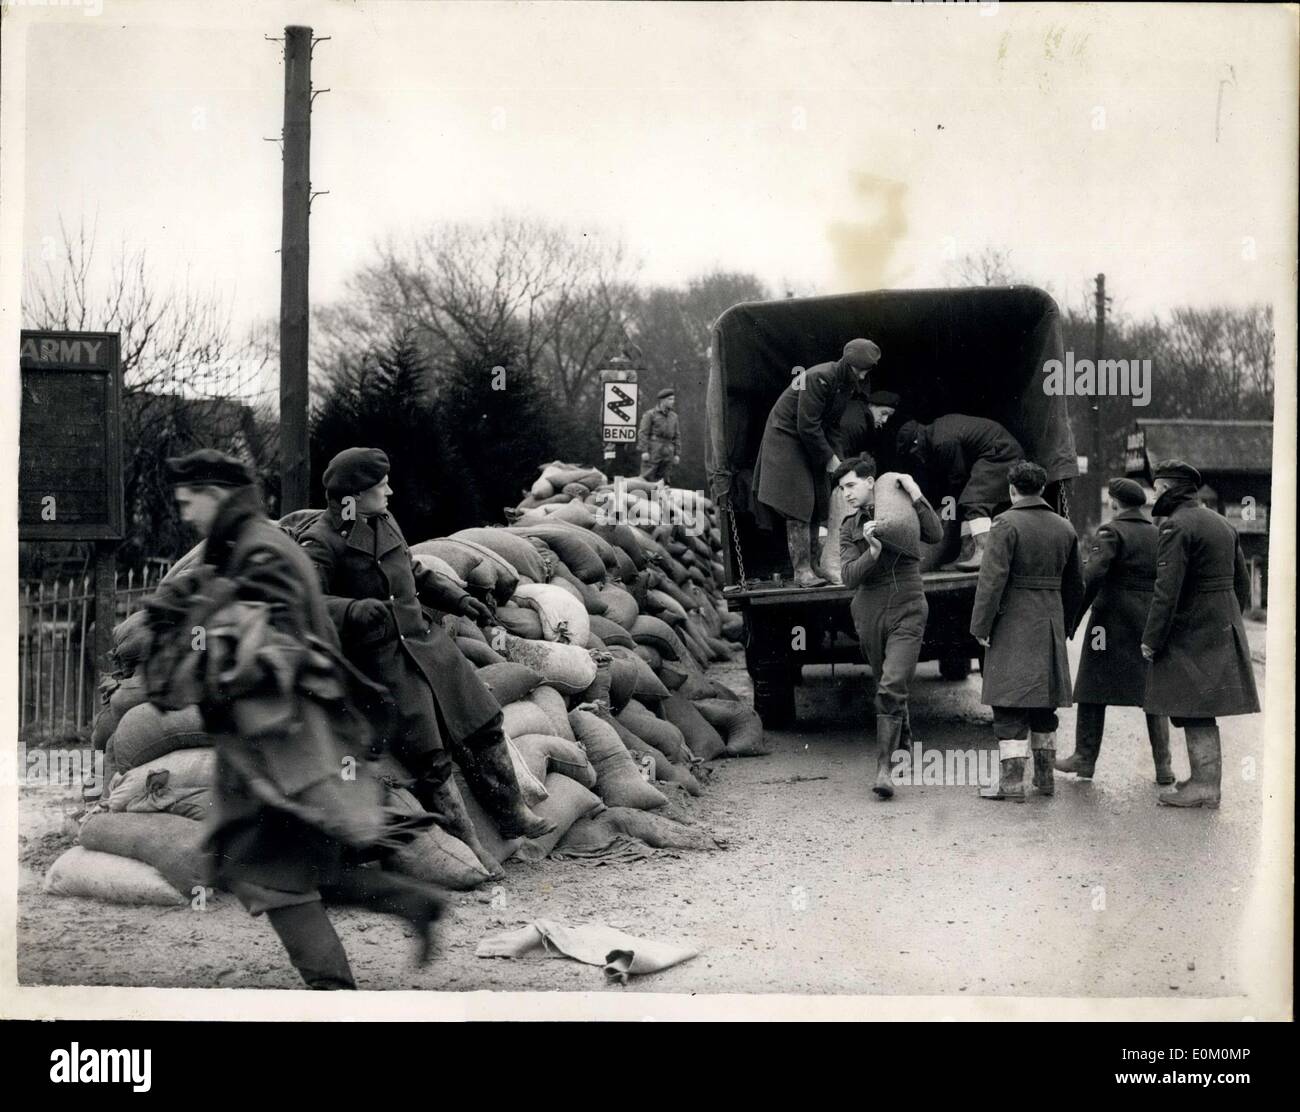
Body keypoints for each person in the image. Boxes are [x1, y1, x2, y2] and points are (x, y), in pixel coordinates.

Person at [145, 449, 447, 990]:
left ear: (216, 496)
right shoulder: (245, 547)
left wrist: (204, 622)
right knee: (284, 862)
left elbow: (283, 652)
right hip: (267, 740)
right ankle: (412, 903)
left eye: (191, 503)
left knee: (273, 877)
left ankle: (335, 995)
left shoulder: (262, 553)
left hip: (285, 743)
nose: (187, 515)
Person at [298, 448, 556, 852]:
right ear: (353, 496)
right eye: (381, 486)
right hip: (377, 657)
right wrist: (352, 609)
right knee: (429, 754)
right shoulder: (321, 540)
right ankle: (469, 845)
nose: (391, 491)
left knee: (482, 721)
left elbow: (412, 571)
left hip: (423, 641)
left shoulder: (383, 520)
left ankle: (512, 812)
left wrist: (457, 599)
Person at [1141, 459, 1260, 809]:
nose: (1154, 494)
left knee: (1194, 707)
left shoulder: (1175, 526)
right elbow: (1242, 586)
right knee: (1199, 705)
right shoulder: (1221, 523)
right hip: (1220, 623)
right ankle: (1202, 780)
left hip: (1192, 627)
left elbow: (1167, 590)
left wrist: (1152, 638)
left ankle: (1205, 786)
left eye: (1157, 488)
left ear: (1166, 489)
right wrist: (1229, 620)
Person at [971, 461, 1083, 802]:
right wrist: (1067, 624)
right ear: (1042, 488)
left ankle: (1012, 783)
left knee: (1008, 705)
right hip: (1049, 621)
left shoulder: (1005, 524)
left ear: (1011, 490)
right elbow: (1076, 585)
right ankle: (1045, 781)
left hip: (1013, 623)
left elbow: (991, 582)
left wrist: (980, 626)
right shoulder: (1065, 528)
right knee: (1044, 706)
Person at [835, 454, 942, 798]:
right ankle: (903, 740)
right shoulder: (850, 526)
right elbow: (849, 577)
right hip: (869, 609)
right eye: (841, 489)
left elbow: (935, 534)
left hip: (909, 603)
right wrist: (873, 552)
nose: (846, 494)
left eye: (850, 485)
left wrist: (915, 492)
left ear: (871, 481)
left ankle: (885, 769)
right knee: (885, 681)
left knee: (892, 684)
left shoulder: (902, 509)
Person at [1056, 478, 1173, 784]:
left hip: (1109, 623)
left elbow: (1092, 578)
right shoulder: (1157, 534)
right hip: (1147, 620)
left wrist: (1075, 619)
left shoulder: (1111, 531)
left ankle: (1084, 759)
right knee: (1152, 693)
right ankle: (1164, 767)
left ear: (1114, 503)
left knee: (1092, 688)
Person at [752, 338, 881, 587]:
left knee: (818, 502)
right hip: (786, 439)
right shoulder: (819, 377)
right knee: (799, 502)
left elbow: (831, 426)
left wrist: (842, 463)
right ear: (850, 365)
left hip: (807, 441)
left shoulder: (844, 385)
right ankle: (802, 571)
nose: (864, 376)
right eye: (861, 370)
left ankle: (815, 566)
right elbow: (807, 425)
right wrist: (829, 458)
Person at [895, 413, 1024, 571]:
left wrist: (948, 506)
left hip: (1000, 453)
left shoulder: (941, 442)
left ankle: (984, 552)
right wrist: (951, 504)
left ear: (916, 442)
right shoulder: (937, 431)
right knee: (966, 502)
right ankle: (967, 553)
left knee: (973, 500)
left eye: (914, 452)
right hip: (993, 451)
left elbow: (957, 477)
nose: (918, 457)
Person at [638, 388, 680, 483]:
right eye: (669, 399)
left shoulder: (674, 416)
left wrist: (677, 453)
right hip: (654, 449)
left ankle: (661, 497)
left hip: (668, 451)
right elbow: (643, 433)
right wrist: (644, 451)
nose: (672, 402)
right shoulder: (650, 414)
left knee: (664, 480)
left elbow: (677, 436)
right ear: (662, 400)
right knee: (647, 477)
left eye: (673, 399)